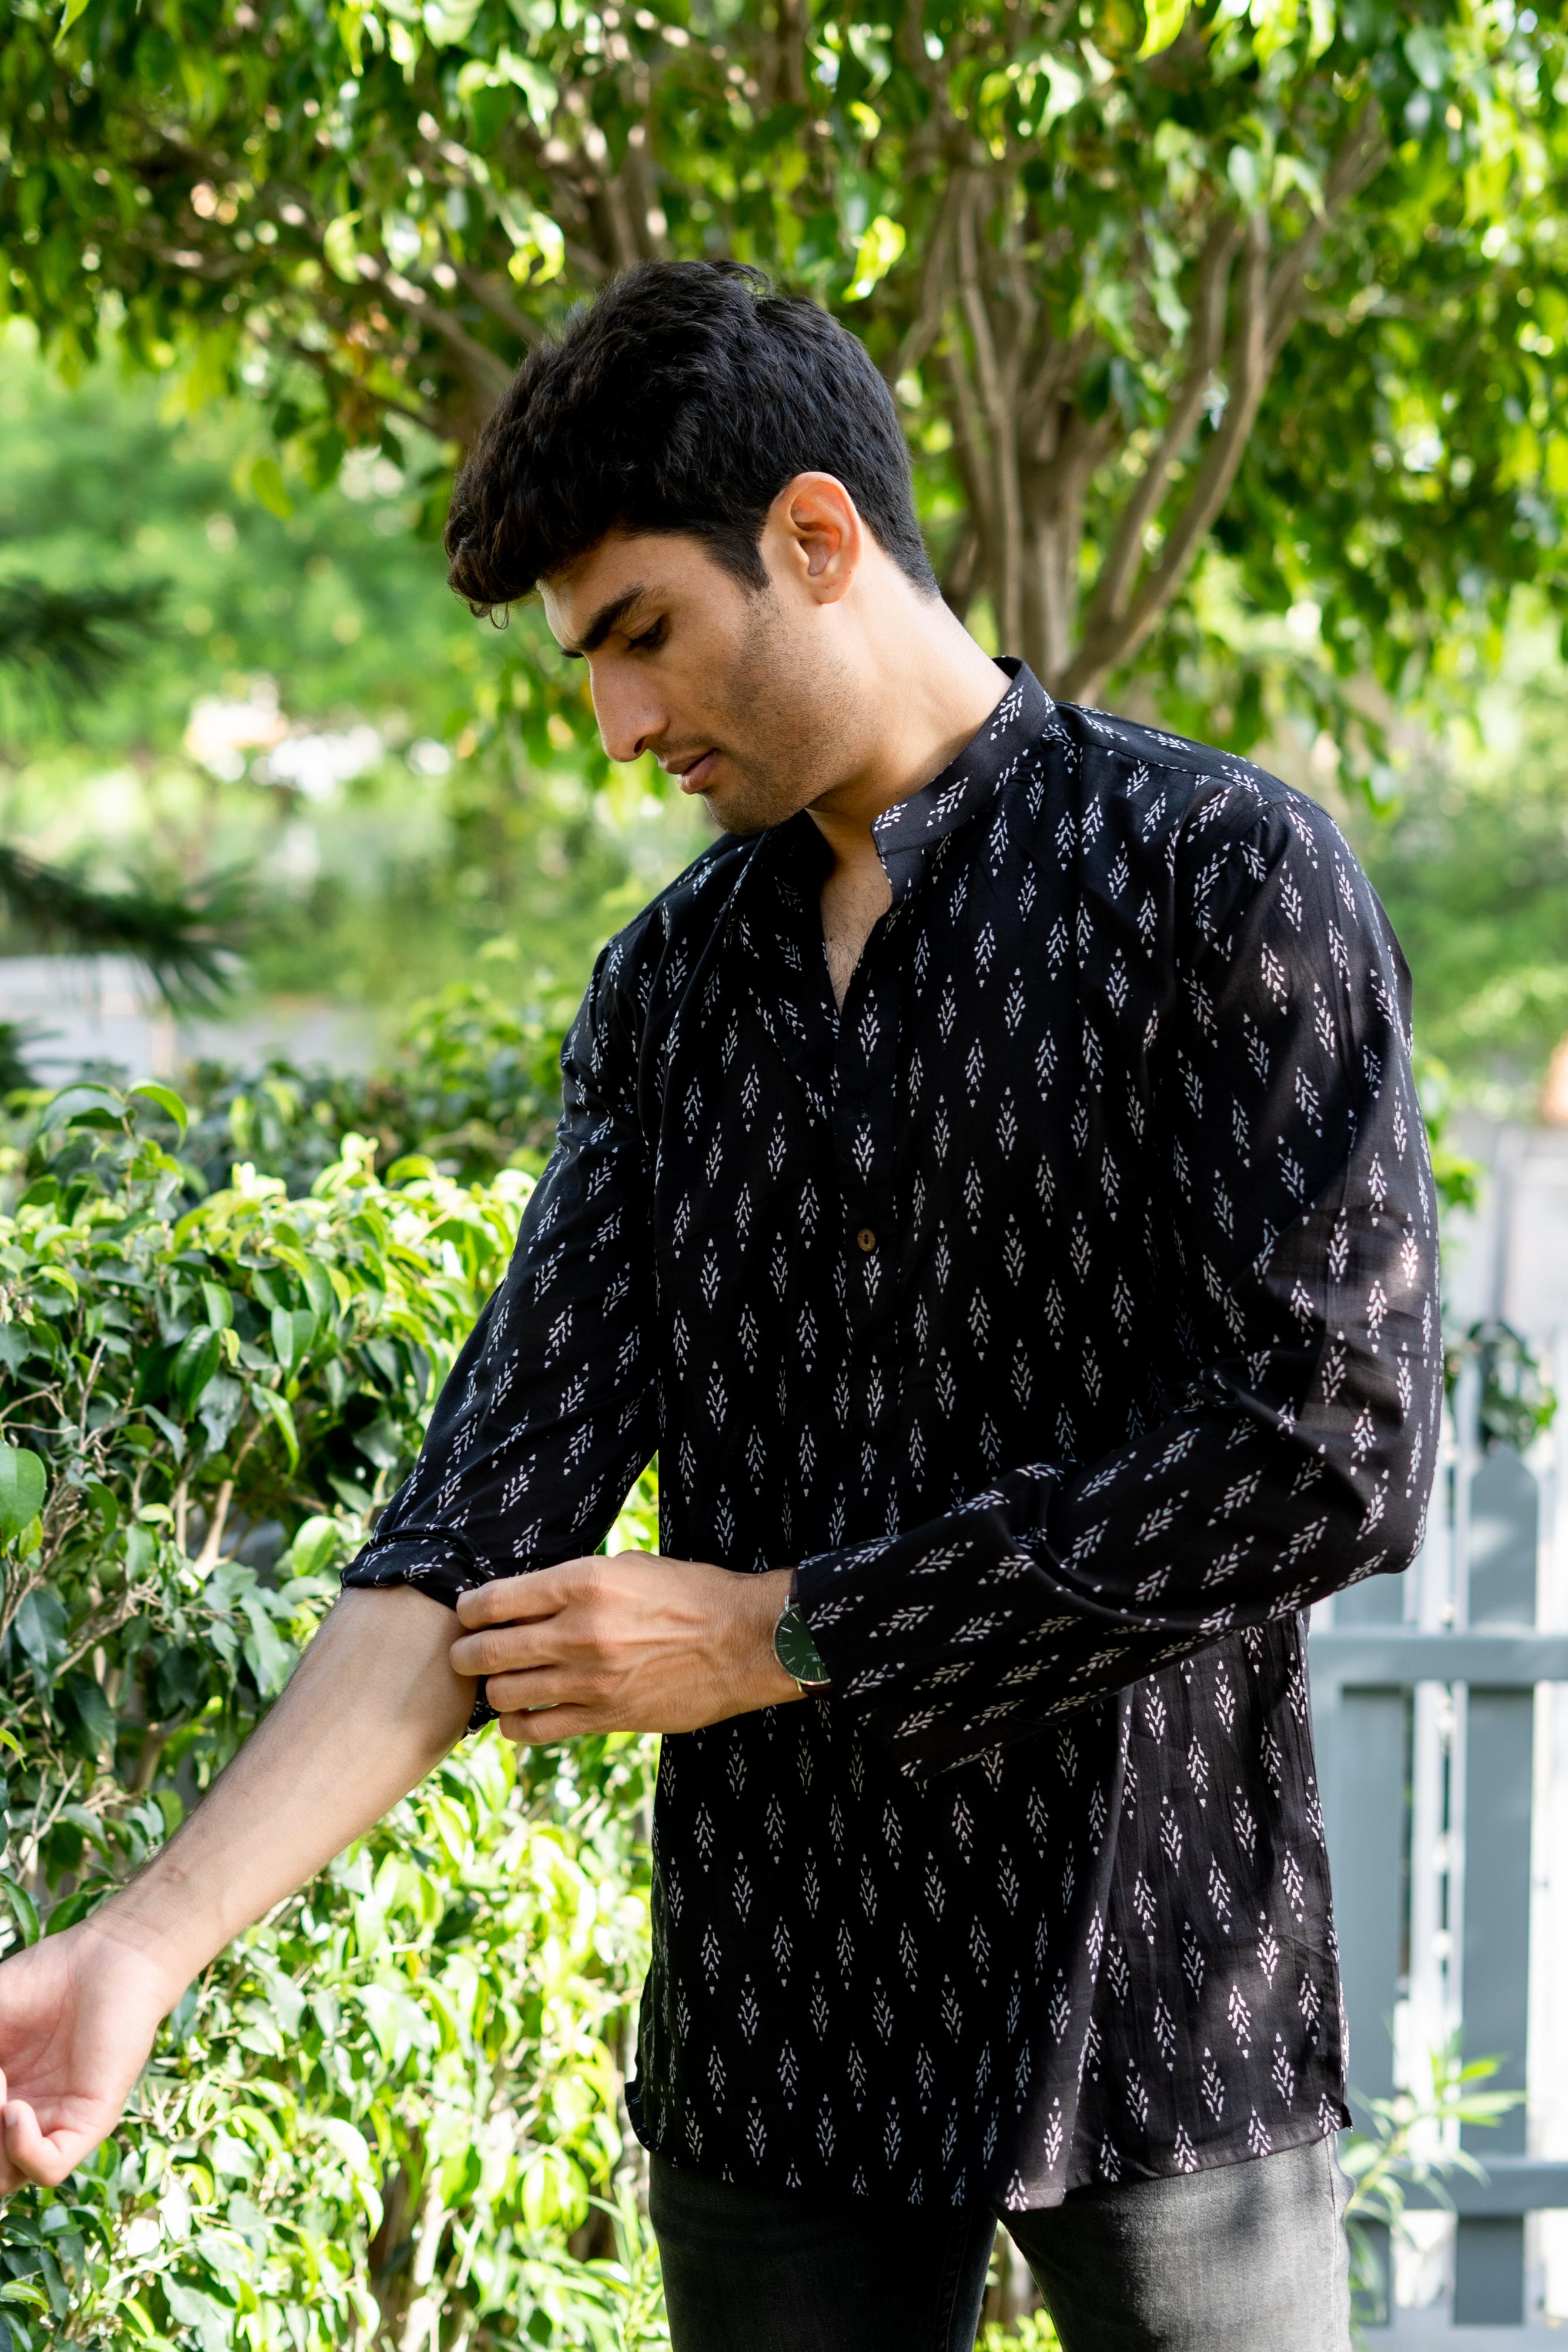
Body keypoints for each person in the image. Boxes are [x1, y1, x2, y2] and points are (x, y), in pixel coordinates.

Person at [0, 260, 1439, 2352]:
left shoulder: (1221, 879)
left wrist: (789, 1629)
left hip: (1158, 2022)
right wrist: (139, 1946)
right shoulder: (668, 998)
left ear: (817, 537)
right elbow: (478, 1526)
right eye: (586, 666)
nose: (618, 727)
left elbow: (1335, 1452)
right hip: (779, 2049)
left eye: (639, 638)